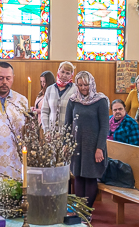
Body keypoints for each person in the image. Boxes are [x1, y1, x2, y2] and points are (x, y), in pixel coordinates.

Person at [65, 71, 109, 208]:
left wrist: (99, 148)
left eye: (86, 84)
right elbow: (68, 124)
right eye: (80, 85)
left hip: (94, 146)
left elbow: (105, 126)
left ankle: (87, 211)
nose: (83, 88)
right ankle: (79, 209)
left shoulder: (100, 101)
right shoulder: (73, 100)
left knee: (90, 177)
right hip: (77, 145)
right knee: (78, 176)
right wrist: (66, 144)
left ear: (92, 83)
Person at [41, 61, 77, 132]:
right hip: (52, 133)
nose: (64, 75)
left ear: (71, 75)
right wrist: (46, 130)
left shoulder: (75, 89)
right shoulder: (50, 89)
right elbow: (45, 111)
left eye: (68, 73)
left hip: (68, 133)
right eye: (62, 72)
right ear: (58, 71)